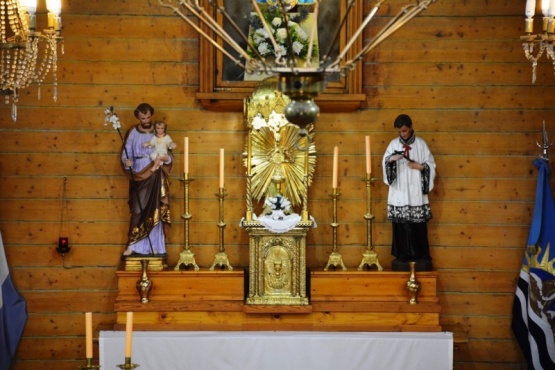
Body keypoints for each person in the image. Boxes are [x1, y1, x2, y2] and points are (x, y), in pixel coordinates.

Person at [382, 114, 436, 271]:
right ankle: (402, 254)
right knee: (401, 225)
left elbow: (431, 164)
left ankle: (420, 254)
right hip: (399, 190)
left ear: (411, 127)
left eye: (404, 131)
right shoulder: (393, 144)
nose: (402, 134)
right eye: (400, 132)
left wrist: (422, 167)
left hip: (416, 191)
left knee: (417, 225)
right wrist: (392, 160)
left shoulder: (420, 144)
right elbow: (385, 162)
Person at [121, 103, 172, 256]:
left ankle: (154, 246)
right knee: (137, 210)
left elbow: (168, 154)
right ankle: (133, 244)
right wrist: (126, 161)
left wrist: (166, 158)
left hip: (155, 173)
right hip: (137, 174)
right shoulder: (132, 132)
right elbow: (126, 152)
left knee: (154, 209)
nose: (146, 120)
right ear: (138, 117)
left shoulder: (158, 132)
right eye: (143, 118)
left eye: (148, 117)